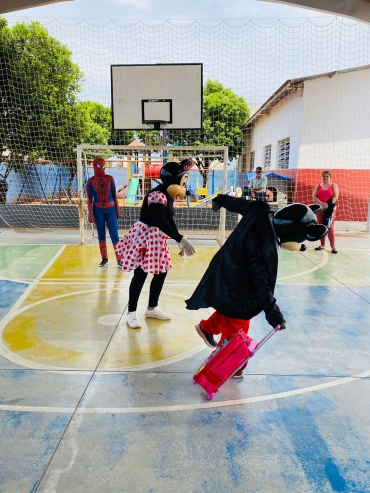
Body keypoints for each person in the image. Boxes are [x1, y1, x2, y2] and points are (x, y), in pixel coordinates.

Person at [186, 195, 327, 377]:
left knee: (228, 308)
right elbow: (262, 283)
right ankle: (230, 367)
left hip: (224, 266)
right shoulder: (263, 246)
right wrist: (272, 311)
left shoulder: (261, 209)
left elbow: (238, 203)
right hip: (239, 284)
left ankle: (207, 328)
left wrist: (220, 199)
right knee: (238, 323)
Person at [114, 159, 196, 329]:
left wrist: (177, 238)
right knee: (140, 274)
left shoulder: (169, 194)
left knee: (161, 272)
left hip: (158, 237)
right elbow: (160, 222)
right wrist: (181, 239)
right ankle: (131, 312)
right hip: (145, 236)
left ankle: (152, 308)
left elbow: (168, 218)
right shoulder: (156, 195)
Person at [86, 157, 122, 267]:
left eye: (103, 166)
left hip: (111, 210)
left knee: (114, 235)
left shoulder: (110, 179)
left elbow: (114, 196)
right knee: (101, 235)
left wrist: (117, 210)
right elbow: (89, 199)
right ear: (94, 166)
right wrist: (91, 213)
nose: (102, 168)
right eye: (99, 166)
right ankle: (104, 258)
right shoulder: (90, 181)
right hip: (98, 211)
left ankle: (120, 260)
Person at [312, 170, 339, 254]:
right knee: (321, 227)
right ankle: (322, 245)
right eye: (324, 176)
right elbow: (314, 196)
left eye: (327, 176)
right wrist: (321, 204)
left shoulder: (334, 185)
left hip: (330, 209)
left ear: (330, 177)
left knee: (330, 228)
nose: (325, 177)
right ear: (322, 177)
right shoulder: (318, 186)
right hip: (320, 209)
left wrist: (328, 205)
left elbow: (335, 196)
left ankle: (333, 247)